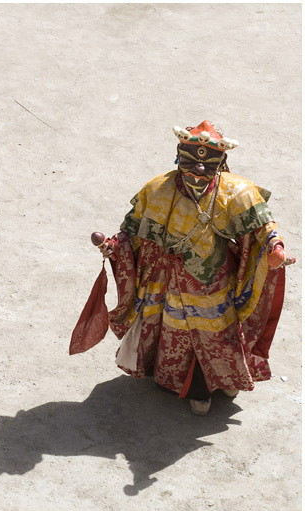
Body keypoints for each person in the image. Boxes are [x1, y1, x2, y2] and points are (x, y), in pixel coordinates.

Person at [70, 120, 295, 416]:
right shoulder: (158, 190)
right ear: (178, 156)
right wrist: (115, 245)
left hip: (214, 280)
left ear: (222, 162)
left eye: (209, 163)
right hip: (171, 281)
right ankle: (191, 387)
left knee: (217, 334)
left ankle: (223, 379)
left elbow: (265, 227)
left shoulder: (237, 191)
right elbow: (133, 230)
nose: (199, 170)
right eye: (190, 161)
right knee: (177, 333)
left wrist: (274, 248)